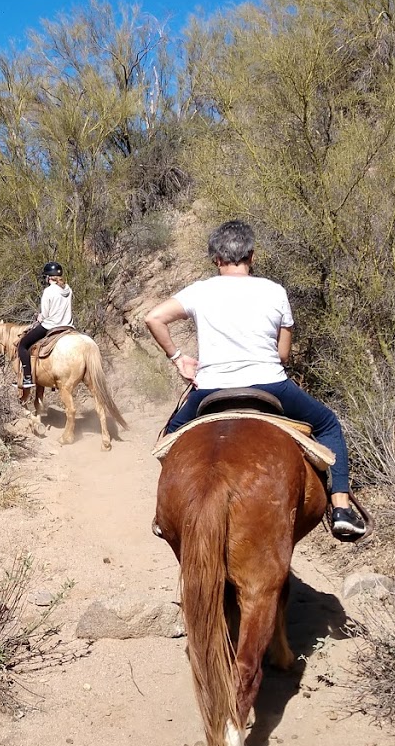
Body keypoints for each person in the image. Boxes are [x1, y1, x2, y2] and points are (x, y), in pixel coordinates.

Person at [144, 219, 365, 541]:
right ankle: (342, 507)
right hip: (270, 384)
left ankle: (166, 514)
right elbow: (283, 355)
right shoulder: (274, 291)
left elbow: (153, 317)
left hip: (210, 388)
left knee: (171, 436)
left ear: (216, 258)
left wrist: (179, 359)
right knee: (329, 424)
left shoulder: (200, 291)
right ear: (252, 256)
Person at [18, 262, 74, 389]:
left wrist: (39, 317)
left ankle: (27, 378)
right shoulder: (68, 289)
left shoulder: (48, 291)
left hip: (51, 326)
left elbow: (45, 314)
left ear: (48, 277)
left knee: (22, 345)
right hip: (68, 326)